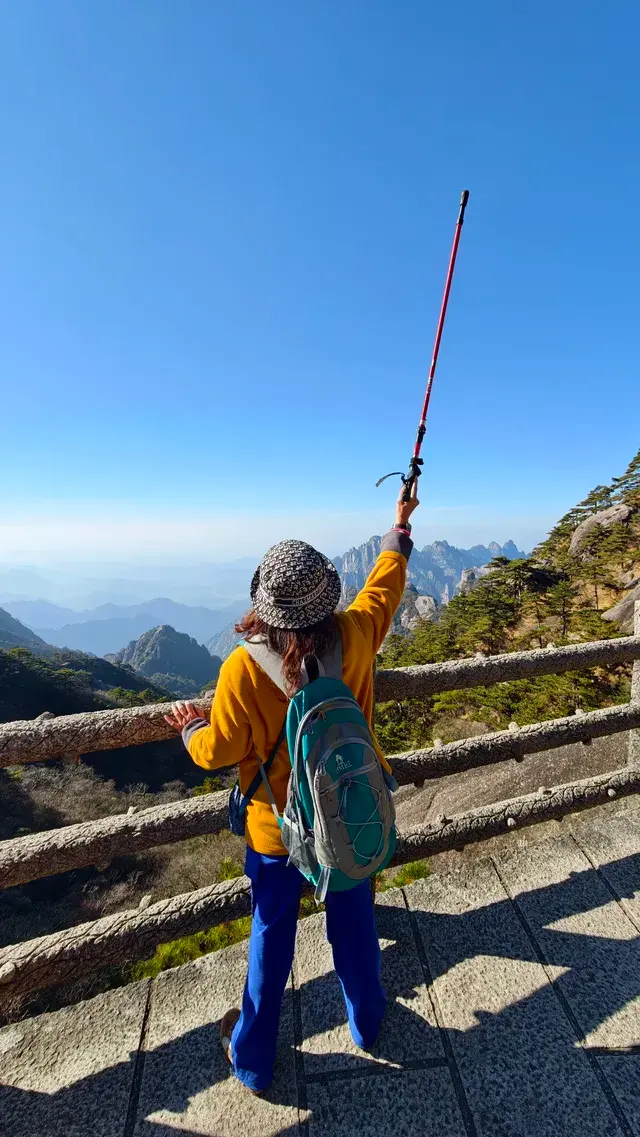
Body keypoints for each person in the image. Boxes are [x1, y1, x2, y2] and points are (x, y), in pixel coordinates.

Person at [165, 483, 419, 1094]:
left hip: (276, 831)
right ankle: (367, 1020)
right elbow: (385, 585)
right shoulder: (356, 635)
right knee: (353, 920)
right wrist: (400, 527)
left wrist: (190, 729)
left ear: (264, 604)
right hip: (349, 816)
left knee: (271, 937)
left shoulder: (242, 668)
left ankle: (252, 1056)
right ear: (327, 595)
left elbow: (217, 751)